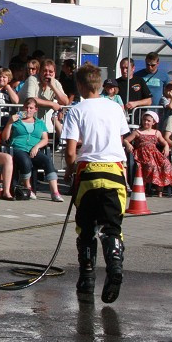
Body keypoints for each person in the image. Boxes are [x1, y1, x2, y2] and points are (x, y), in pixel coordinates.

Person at [62, 64, 130, 304]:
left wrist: (69, 172)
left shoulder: (76, 110)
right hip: (114, 173)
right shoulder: (115, 108)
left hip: (88, 173)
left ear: (79, 85)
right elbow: (120, 141)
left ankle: (87, 277)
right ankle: (114, 266)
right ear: (100, 85)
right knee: (112, 227)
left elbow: (71, 151)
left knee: (86, 228)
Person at [3, 98, 63, 202]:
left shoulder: (40, 123)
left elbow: (45, 139)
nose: (28, 110)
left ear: (35, 109)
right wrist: (9, 123)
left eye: (31, 108)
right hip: (18, 148)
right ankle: (28, 188)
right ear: (23, 108)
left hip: (34, 149)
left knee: (47, 161)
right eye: (26, 107)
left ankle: (55, 192)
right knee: (25, 161)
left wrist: (37, 147)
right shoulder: (16, 121)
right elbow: (5, 138)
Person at [123, 111, 172, 198]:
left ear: (153, 122)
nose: (146, 122)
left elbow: (164, 142)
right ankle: (144, 187)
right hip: (142, 153)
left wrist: (166, 146)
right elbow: (125, 140)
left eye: (148, 121)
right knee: (151, 165)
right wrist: (128, 144)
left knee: (165, 164)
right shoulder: (137, 132)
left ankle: (160, 190)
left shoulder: (156, 132)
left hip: (154, 153)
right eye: (144, 120)